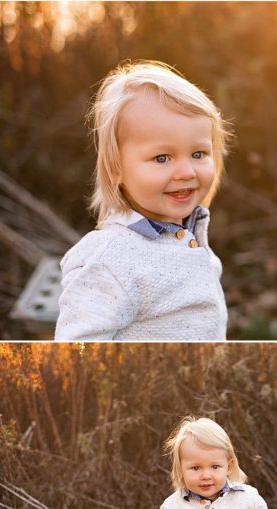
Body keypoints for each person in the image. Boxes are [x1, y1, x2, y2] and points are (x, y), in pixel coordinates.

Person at [56, 61, 230, 340]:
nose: (186, 172)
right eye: (162, 158)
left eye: (198, 154)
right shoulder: (109, 260)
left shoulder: (194, 241)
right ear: (116, 168)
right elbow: (77, 348)